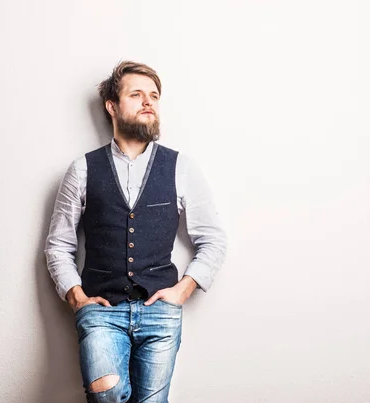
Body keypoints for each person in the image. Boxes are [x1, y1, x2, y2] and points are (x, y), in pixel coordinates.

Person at [44, 61, 227, 403]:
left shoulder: (180, 167)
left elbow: (213, 239)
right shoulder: (83, 169)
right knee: (108, 395)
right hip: (101, 311)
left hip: (161, 312)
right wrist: (77, 298)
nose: (148, 102)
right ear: (111, 106)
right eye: (137, 94)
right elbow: (58, 245)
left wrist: (183, 292)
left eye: (154, 96)